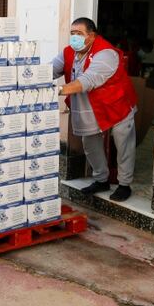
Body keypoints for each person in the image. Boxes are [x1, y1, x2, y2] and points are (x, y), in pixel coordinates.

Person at [52, 18, 138, 202]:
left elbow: (88, 80)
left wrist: (57, 91)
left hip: (117, 105)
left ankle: (124, 184)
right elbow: (50, 69)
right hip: (90, 106)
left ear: (91, 36)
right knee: (90, 144)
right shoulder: (69, 52)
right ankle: (101, 180)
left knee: (124, 144)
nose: (74, 37)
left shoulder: (106, 53)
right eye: (72, 33)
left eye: (79, 34)